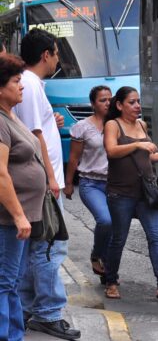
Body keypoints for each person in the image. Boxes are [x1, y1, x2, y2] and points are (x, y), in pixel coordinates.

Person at [13, 28, 80, 340]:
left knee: (37, 247)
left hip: (40, 180)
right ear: (45, 55)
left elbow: (35, 126)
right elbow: (33, 134)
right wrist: (53, 179)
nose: (57, 60)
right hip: (41, 183)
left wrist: (51, 120)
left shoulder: (31, 84)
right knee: (50, 245)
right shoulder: (28, 83)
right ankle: (48, 313)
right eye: (56, 53)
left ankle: (29, 307)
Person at [102, 86, 158, 301]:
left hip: (147, 192)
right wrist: (139, 144)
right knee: (119, 239)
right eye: (132, 102)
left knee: (156, 238)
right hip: (121, 193)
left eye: (138, 101)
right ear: (119, 105)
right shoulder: (113, 125)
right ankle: (111, 282)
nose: (137, 106)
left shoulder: (141, 124)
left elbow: (145, 157)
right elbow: (111, 151)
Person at [0, 54, 46, 341]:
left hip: (23, 216)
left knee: (12, 281)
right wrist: (18, 215)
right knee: (4, 282)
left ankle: (15, 335)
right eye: (16, 81)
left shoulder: (11, 115)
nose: (22, 86)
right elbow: (1, 174)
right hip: (8, 219)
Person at [63, 86, 112, 282]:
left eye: (110, 99)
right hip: (90, 183)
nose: (107, 103)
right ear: (93, 104)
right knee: (105, 220)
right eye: (102, 100)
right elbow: (73, 158)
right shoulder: (82, 127)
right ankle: (96, 255)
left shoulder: (116, 123)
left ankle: (108, 271)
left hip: (115, 185)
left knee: (114, 227)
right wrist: (68, 183)